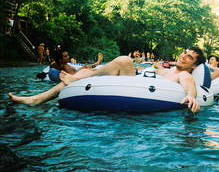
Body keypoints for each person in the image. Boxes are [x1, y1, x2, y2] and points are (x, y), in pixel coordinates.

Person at [9, 46, 206, 113]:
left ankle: (39, 98)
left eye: (189, 57)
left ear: (194, 65)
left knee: (123, 59)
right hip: (135, 84)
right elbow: (149, 72)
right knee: (124, 61)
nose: (183, 56)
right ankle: (37, 98)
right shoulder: (168, 69)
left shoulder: (184, 74)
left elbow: (190, 88)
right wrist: (143, 69)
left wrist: (191, 97)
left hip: (138, 93)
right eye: (184, 52)